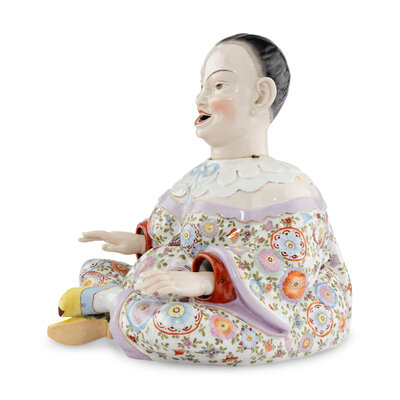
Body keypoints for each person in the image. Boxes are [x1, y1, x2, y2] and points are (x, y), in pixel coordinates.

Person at [48, 34, 352, 366]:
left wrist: (207, 280)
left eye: (218, 85)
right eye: (202, 87)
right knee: (95, 267)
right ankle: (124, 312)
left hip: (245, 310)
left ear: (260, 95)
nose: (200, 98)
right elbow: (174, 233)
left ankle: (109, 309)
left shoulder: (290, 186)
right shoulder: (199, 177)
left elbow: (287, 271)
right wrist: (138, 242)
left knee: (181, 326)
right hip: (170, 288)